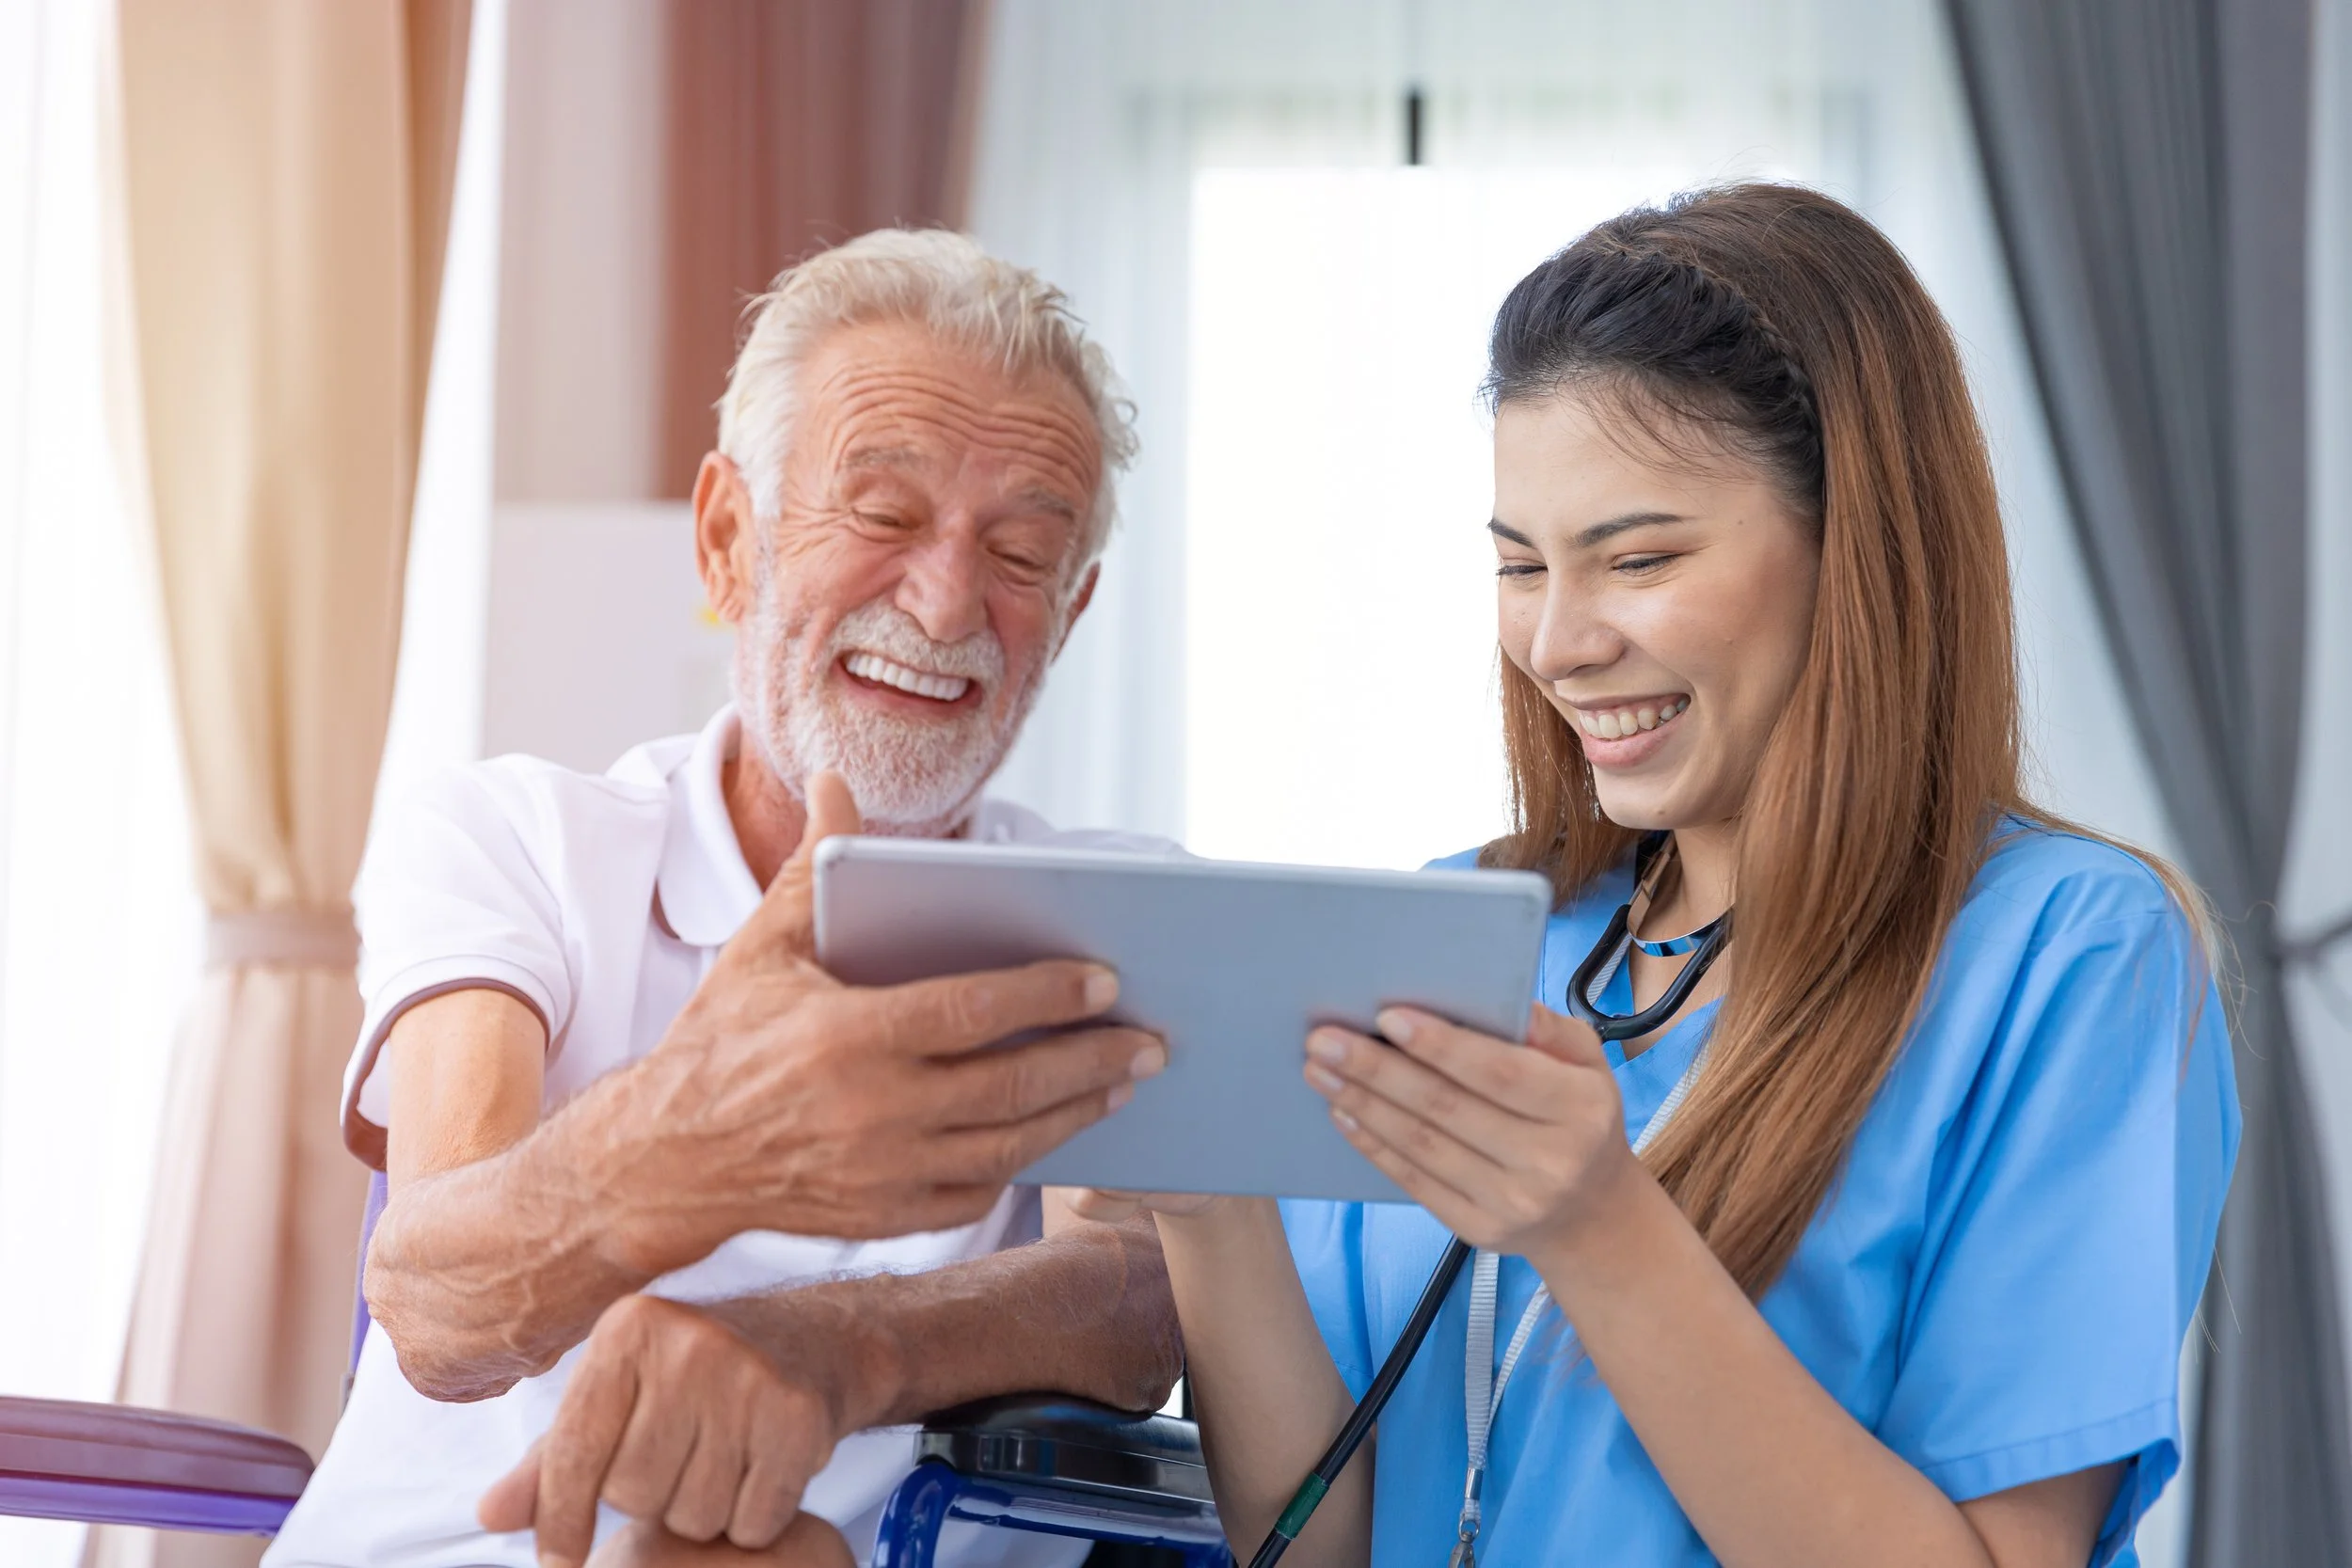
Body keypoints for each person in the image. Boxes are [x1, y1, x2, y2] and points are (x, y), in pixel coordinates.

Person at [1080, 184, 2238, 1568]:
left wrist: (1596, 1226)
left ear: (1856, 548)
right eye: (1520, 566)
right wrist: (1208, 1191)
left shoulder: (2073, 958)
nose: (1558, 642)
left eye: (1638, 558)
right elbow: (1319, 1541)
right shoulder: (1468, 927)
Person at [263, 230, 1184, 1568]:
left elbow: (1141, 1299)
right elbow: (438, 1301)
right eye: (882, 514)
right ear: (727, 541)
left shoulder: (1122, 906)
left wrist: (833, 1347)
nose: (943, 601)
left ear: (1074, 610)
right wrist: (702, 1132)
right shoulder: (516, 835)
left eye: (1022, 553)